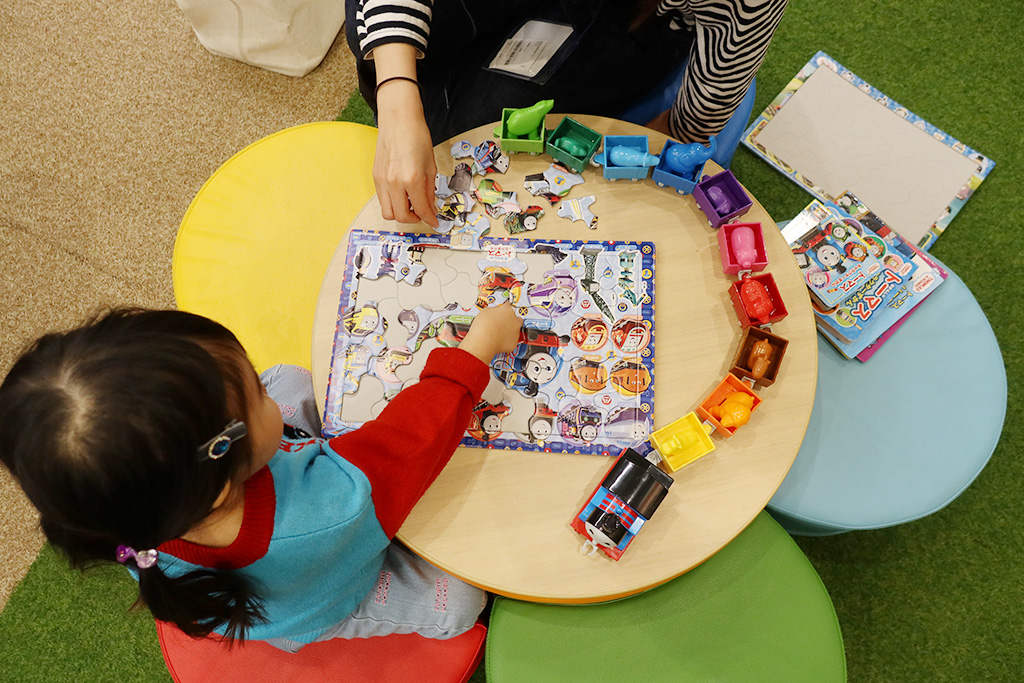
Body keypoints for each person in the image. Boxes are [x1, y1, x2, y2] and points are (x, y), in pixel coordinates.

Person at [0, 304, 522, 649]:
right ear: (224, 478)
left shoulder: (117, 514)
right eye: (255, 390)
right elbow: (411, 440)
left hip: (274, 550)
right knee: (459, 603)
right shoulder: (338, 503)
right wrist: (475, 349)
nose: (261, 386)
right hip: (325, 595)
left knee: (290, 382)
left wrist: (255, 410)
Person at [345, 0, 789, 227]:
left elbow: (699, 113)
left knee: (471, 131)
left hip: (634, 22)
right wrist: (397, 100)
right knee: (380, 37)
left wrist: (632, 162)